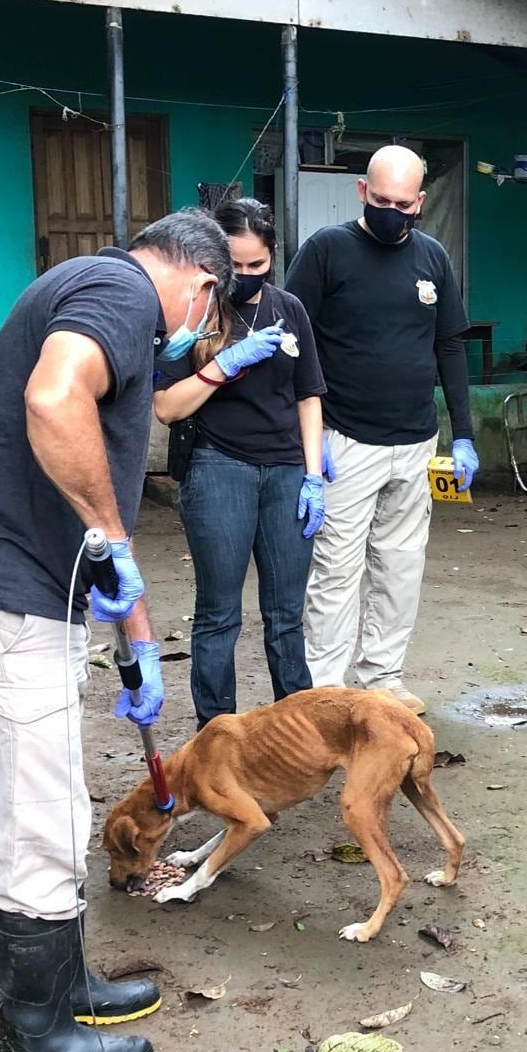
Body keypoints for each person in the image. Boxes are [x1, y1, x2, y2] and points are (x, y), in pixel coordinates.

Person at [0, 209, 233, 1052]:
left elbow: (99, 519)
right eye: (208, 313)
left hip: (20, 583)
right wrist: (115, 543)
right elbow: (54, 400)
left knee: (60, 804)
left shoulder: (99, 288)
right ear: (201, 284)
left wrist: (137, 644)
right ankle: (34, 1035)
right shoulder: (122, 291)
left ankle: (64, 983)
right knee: (37, 815)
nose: (196, 330)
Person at [286, 144, 478, 715]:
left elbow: (450, 346)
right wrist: (307, 438)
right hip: (344, 439)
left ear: (420, 201)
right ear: (362, 192)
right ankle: (325, 692)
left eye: (403, 204)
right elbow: (292, 342)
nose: (392, 211)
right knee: (336, 571)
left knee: (400, 567)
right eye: (382, 200)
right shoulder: (326, 251)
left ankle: (382, 678)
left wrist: (462, 434)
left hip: (415, 441)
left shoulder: (433, 258)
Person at [155, 198, 327, 730]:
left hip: (287, 473)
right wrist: (223, 366)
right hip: (218, 468)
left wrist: (313, 473)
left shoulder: (289, 308)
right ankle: (216, 735)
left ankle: (298, 733)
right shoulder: (194, 312)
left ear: (273, 256)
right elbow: (166, 408)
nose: (247, 275)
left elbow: (308, 396)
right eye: (236, 265)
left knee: (286, 616)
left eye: (259, 264)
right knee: (219, 614)